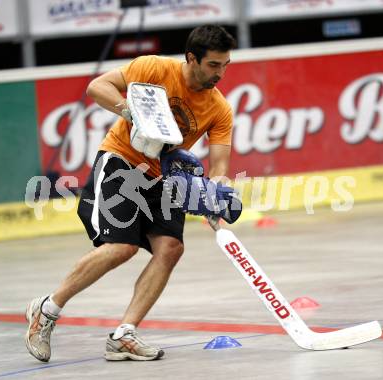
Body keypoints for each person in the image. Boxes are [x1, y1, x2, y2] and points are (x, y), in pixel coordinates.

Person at [25, 24, 240, 363]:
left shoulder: (219, 108)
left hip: (164, 177)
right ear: (192, 58)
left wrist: (219, 192)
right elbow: (99, 86)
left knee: (170, 248)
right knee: (122, 247)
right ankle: (46, 310)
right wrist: (132, 114)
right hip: (121, 161)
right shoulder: (153, 68)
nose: (221, 73)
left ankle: (124, 335)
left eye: (226, 64)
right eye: (214, 65)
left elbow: (219, 167)